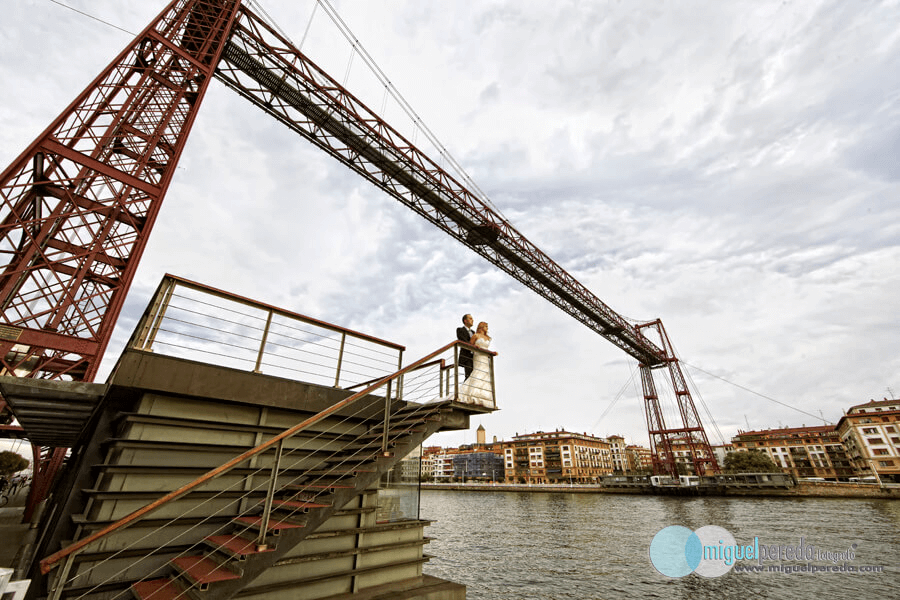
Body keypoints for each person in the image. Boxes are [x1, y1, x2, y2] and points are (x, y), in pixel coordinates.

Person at [458, 321, 494, 407]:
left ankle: (482, 397)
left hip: (485, 358)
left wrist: (492, 353)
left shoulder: (487, 337)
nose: (487, 328)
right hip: (478, 357)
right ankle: (472, 395)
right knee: (477, 373)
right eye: (486, 326)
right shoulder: (475, 336)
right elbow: (470, 346)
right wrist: (475, 347)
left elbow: (486, 347)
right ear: (481, 327)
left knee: (485, 375)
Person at [456, 314, 475, 379]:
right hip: (466, 357)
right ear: (465, 321)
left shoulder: (473, 332)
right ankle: (464, 389)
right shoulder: (460, 330)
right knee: (469, 376)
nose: (472, 320)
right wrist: (473, 346)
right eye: (470, 318)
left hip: (474, 357)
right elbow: (463, 340)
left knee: (475, 376)